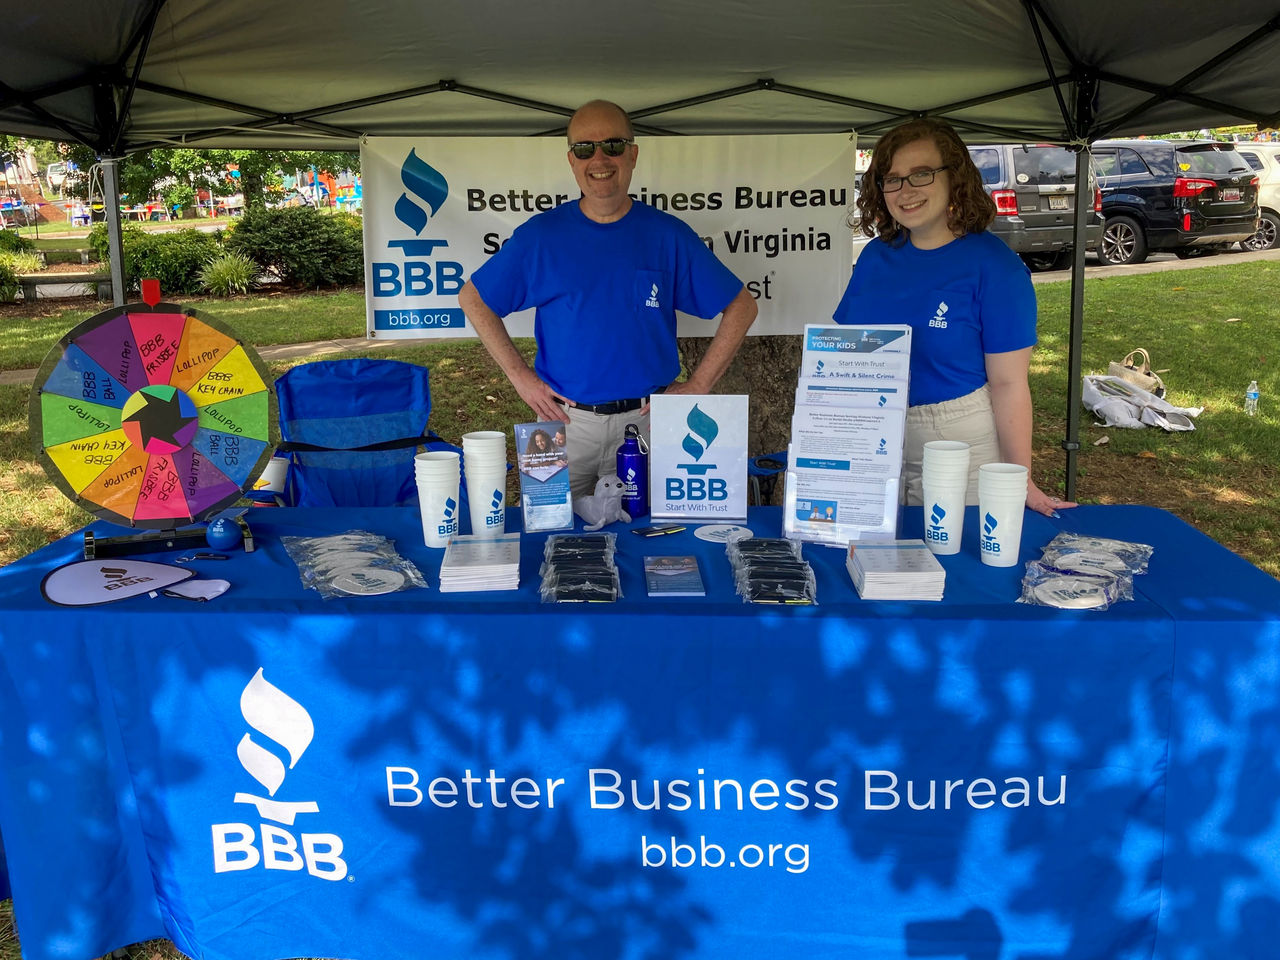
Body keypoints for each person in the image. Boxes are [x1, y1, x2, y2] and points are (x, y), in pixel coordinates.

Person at [458, 99, 757, 498]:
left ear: (632, 154)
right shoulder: (542, 236)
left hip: (649, 425)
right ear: (571, 160)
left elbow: (742, 305)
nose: (599, 158)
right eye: (585, 148)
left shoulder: (667, 235)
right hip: (557, 424)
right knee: (549, 537)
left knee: (653, 542)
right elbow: (473, 298)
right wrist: (519, 377)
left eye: (613, 146)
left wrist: (700, 384)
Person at [833, 117, 1075, 517]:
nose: (905, 191)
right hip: (874, 435)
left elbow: (1010, 383)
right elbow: (848, 353)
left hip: (958, 440)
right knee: (877, 567)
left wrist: (1020, 478)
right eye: (891, 179)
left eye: (921, 174)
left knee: (957, 568)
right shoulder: (876, 257)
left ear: (954, 177)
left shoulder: (996, 267)